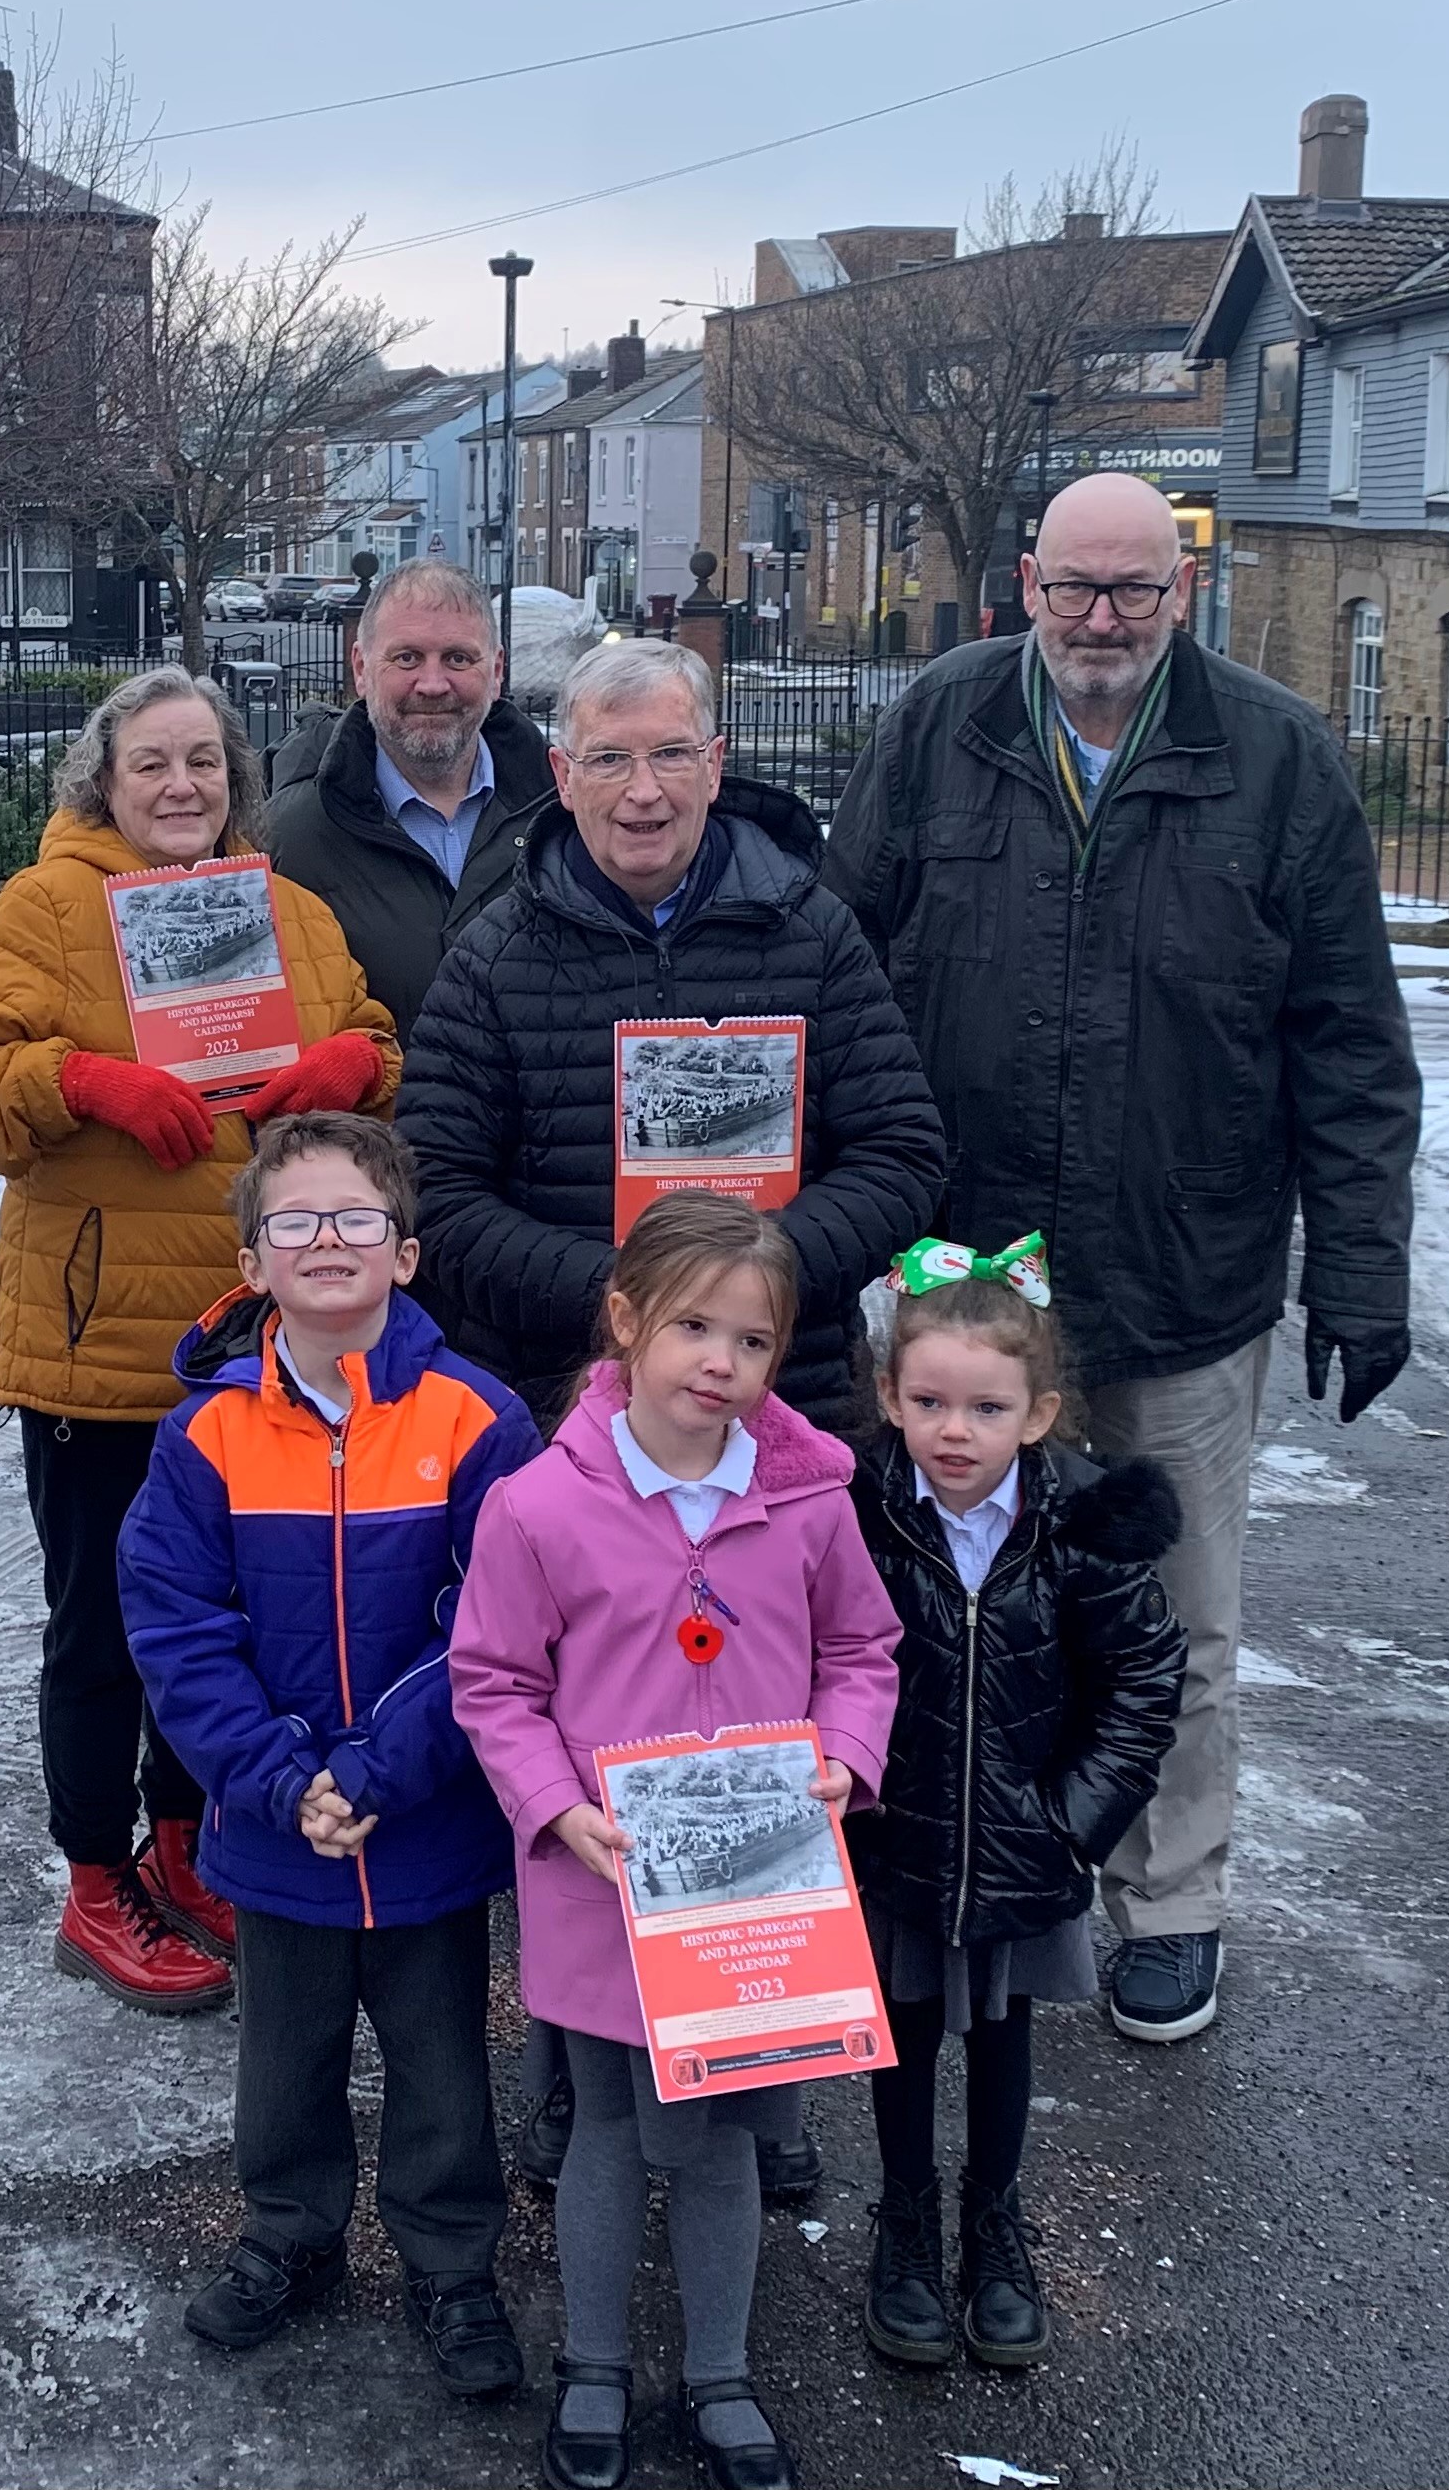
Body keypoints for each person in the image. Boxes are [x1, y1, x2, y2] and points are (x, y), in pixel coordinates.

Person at [822, 469, 1420, 2046]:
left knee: (1173, 1608)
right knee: (931, 1591)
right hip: (962, 1281)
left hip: (1180, 1266)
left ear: (1182, 588)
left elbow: (1347, 1041)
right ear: (1023, 580)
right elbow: (837, 964)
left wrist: (1357, 1269)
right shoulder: (942, 727)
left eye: (1132, 591)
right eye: (1074, 587)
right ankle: (935, 1867)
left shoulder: (1274, 758)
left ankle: (1166, 1899)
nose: (1100, 620)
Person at [399, 633, 943, 2195]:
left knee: (762, 1739)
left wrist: (749, 1295)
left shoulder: (809, 927)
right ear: (556, 778)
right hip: (579, 1436)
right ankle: (580, 2066)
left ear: (715, 763)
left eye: (668, 754)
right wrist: (628, 1309)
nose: (641, 787)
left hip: (775, 1430)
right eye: (606, 759)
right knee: (588, 1746)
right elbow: (438, 1186)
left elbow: (902, 1152)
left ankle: (753, 2060)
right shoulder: (499, 952)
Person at [0, 671, 397, 2013]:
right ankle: (93, 1873)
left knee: (220, 1621)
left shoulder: (277, 908)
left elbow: (364, 1027)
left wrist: (352, 1063)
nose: (180, 787)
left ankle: (187, 1832)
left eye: (203, 763)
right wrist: (76, 1080)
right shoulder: (52, 907)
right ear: (100, 784)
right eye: (149, 765)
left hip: (253, 1336)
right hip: (102, 1346)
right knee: (104, 1629)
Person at [450, 1195, 902, 2490]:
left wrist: (844, 1754)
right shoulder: (539, 1506)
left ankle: (717, 2372)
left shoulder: (809, 1500)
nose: (721, 1359)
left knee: (711, 2139)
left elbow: (861, 1647)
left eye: (752, 1339)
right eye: (693, 1324)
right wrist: (554, 1803)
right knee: (600, 2122)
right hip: (602, 1873)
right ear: (626, 1318)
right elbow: (491, 1681)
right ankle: (593, 2362)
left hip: (752, 1883)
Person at [117, 1113, 541, 2396]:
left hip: (422, 1819)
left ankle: (452, 2259)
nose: (325, 1239)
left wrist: (373, 1770)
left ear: (406, 1253)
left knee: (441, 2058)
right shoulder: (205, 1436)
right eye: (293, 1221)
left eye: (355, 1217)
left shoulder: (481, 1420)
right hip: (276, 1819)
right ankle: (288, 2234)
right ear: (251, 1262)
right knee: (283, 2055)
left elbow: (496, 1623)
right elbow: (176, 1623)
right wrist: (278, 1770)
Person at [848, 1238, 1185, 2371]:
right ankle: (903, 2217)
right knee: (900, 2032)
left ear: (1038, 1414)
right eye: (930, 1399)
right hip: (896, 1833)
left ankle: (994, 2224)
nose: (956, 1429)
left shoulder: (1082, 1525)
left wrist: (1072, 1820)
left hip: (1026, 1838)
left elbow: (1142, 1678)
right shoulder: (858, 1511)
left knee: (1001, 2033)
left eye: (986, 1406)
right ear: (890, 1394)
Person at [267, 559, 556, 1044]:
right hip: (369, 1118)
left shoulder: (565, 818)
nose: (432, 684)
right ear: (361, 668)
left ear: (497, 670)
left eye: (458, 659)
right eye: (407, 658)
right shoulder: (289, 836)